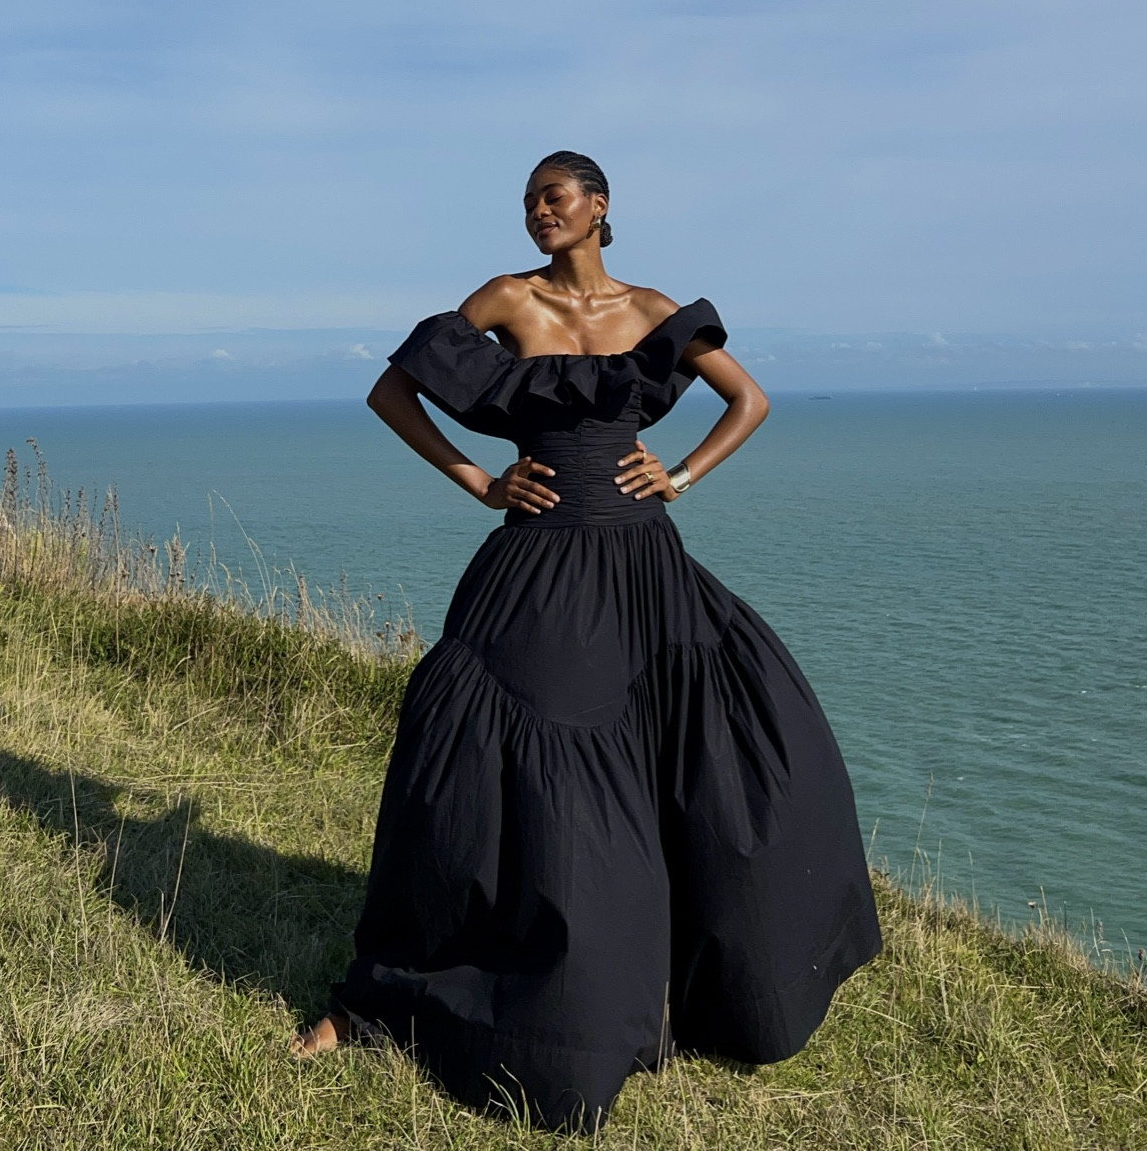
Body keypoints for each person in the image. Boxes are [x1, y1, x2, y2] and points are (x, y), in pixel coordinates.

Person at [294, 152, 880, 1127]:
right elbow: (392, 393)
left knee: (725, 755)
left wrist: (682, 473)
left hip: (643, 564)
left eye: (554, 195)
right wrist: (480, 479)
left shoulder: (655, 309)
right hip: (537, 562)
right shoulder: (504, 298)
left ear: (599, 206)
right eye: (528, 200)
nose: (537, 211)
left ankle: (677, 984)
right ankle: (410, 996)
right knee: (489, 760)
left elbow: (751, 400)